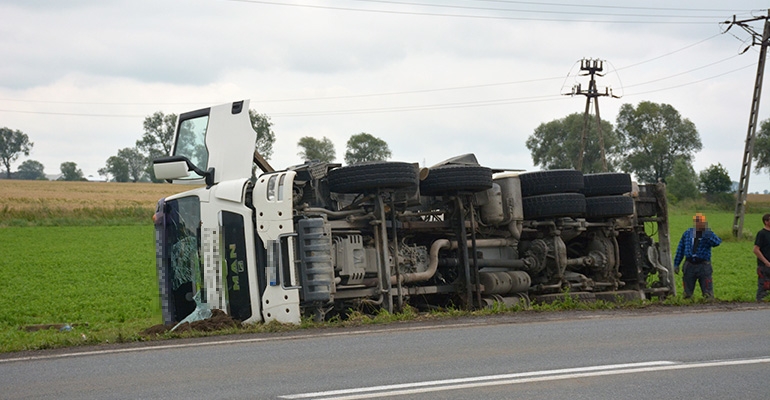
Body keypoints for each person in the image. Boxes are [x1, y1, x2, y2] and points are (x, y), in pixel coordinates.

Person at [673, 213, 722, 299]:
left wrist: (706, 232)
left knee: (708, 293)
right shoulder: (688, 233)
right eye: (697, 221)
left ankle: (709, 307)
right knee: (687, 293)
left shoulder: (707, 234)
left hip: (703, 265)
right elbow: (680, 249)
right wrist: (676, 264)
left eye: (700, 221)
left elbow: (717, 242)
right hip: (689, 265)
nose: (698, 223)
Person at [752, 213, 770, 302]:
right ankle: (760, 303)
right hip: (764, 266)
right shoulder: (762, 233)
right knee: (764, 286)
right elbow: (756, 249)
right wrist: (766, 262)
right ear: (766, 222)